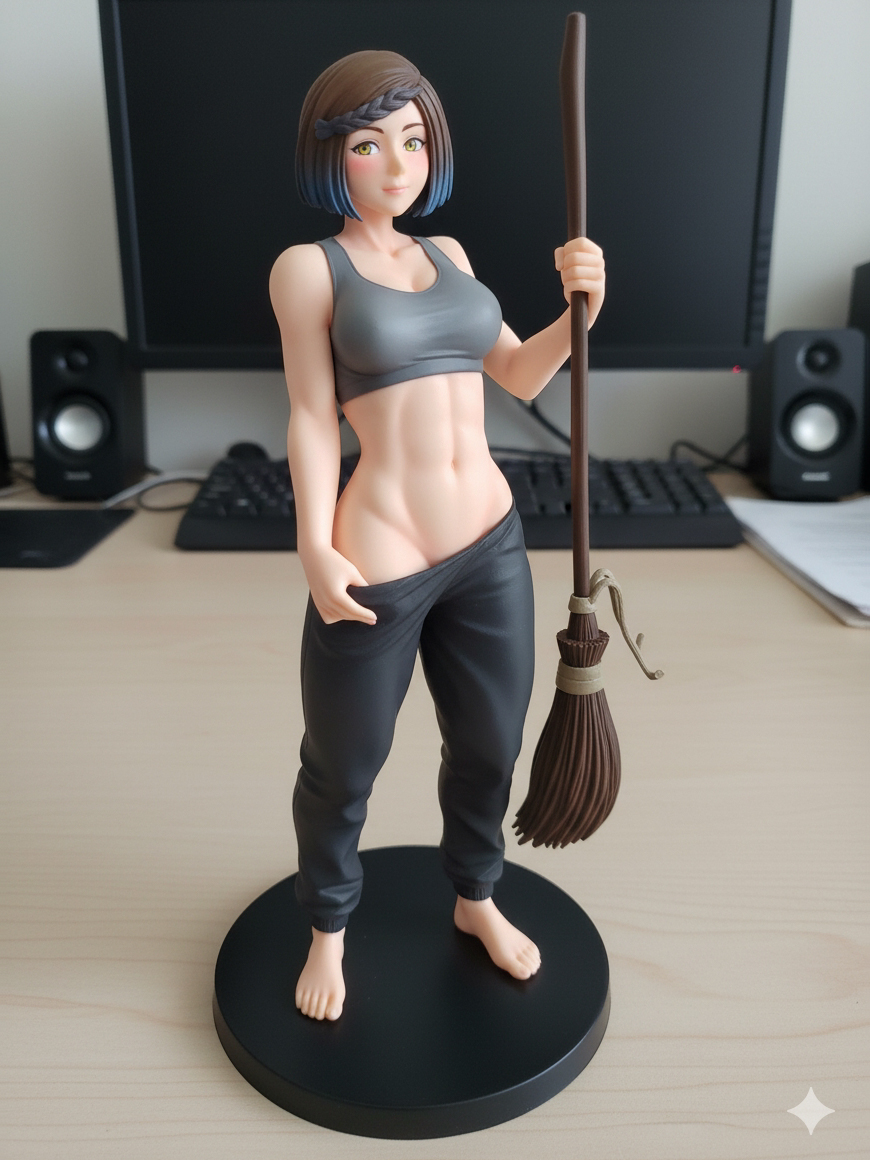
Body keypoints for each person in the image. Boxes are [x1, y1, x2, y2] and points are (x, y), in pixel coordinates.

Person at [269, 50, 605, 1021]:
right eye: (367, 144)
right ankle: (329, 925)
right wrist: (314, 543)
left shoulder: (449, 254)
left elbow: (520, 374)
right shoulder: (309, 269)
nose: (396, 165)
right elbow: (309, 415)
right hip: (378, 551)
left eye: (413, 141)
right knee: (344, 761)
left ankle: (476, 895)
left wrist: (582, 309)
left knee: (490, 744)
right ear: (330, 155)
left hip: (488, 541)